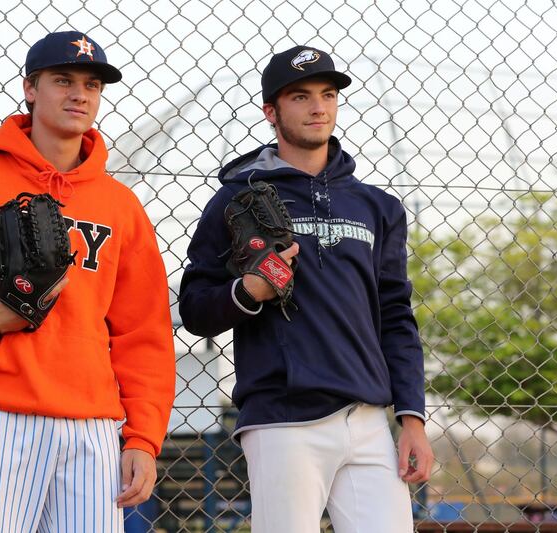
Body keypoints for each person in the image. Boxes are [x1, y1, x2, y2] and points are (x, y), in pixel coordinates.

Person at [0, 30, 175, 532]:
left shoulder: (120, 205)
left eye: (91, 84)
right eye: (62, 80)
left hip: (93, 425)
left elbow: (143, 333)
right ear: (30, 87)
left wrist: (143, 439)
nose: (79, 94)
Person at [179, 45, 433, 532]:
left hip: (366, 418)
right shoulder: (237, 198)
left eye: (328, 94)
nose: (319, 106)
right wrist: (249, 291)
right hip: (282, 419)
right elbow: (194, 308)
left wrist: (412, 419)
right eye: (301, 96)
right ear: (271, 112)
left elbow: (396, 316)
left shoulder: (376, 206)